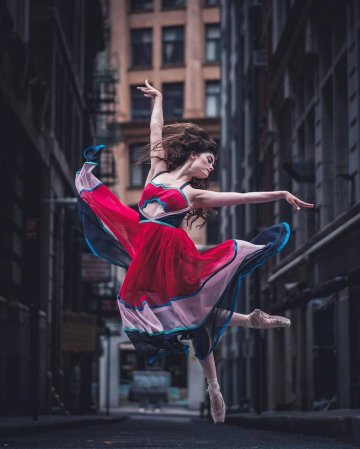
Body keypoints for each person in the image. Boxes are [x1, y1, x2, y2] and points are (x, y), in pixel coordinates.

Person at [75, 80, 314, 424]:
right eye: (209, 160)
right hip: (144, 247)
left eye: (213, 163)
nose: (211, 167)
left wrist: (280, 194)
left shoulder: (193, 195)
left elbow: (242, 197)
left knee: (196, 316)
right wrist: (158, 99)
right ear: (192, 155)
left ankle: (215, 388)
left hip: (174, 256)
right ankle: (249, 320)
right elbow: (155, 130)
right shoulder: (157, 171)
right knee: (188, 314)